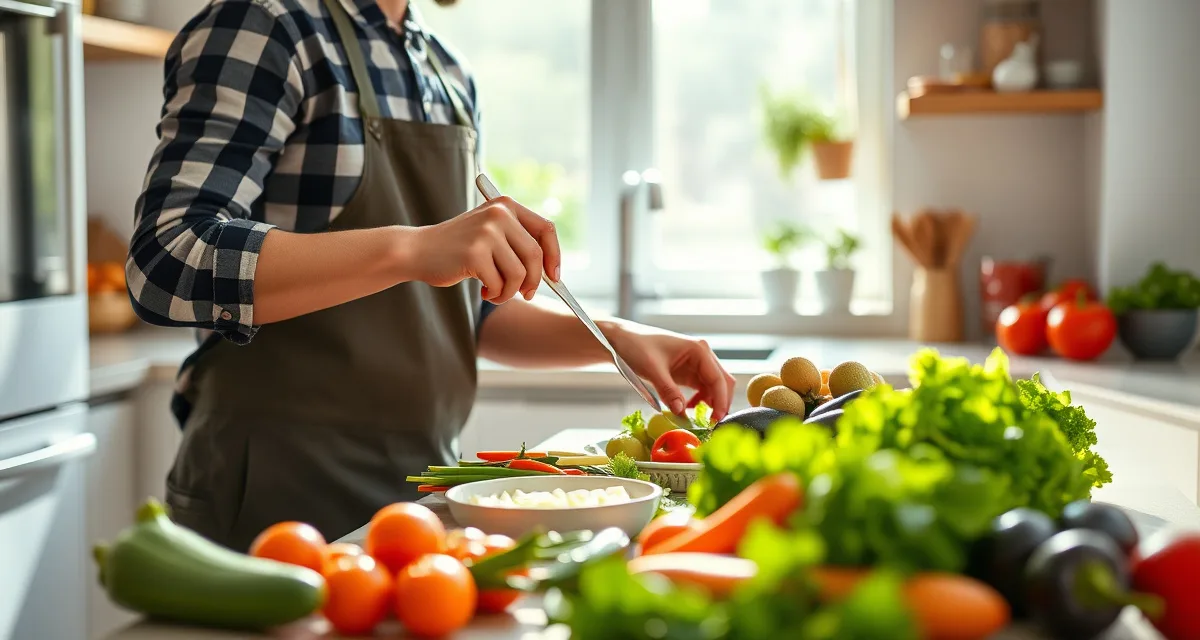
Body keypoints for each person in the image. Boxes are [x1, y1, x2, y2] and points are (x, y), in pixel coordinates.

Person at [127, 0, 735, 551]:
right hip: (272, 497)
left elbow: (465, 309)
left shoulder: (447, 72)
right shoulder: (267, 27)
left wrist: (612, 339)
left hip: (420, 494)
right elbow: (166, 258)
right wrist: (412, 249)